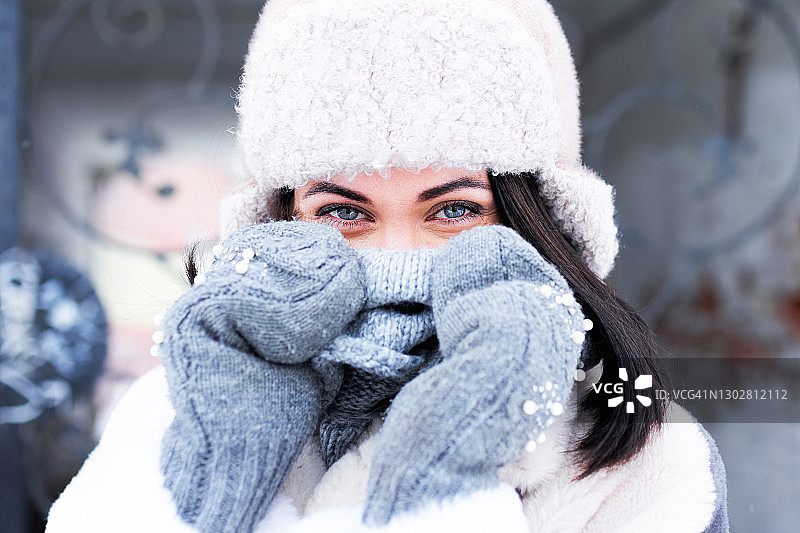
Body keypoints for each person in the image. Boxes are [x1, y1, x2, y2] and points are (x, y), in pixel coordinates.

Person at [45, 1, 730, 532]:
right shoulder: (174, 412)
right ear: (280, 221)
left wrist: (446, 468)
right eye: (345, 212)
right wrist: (214, 477)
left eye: (454, 210)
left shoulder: (636, 455)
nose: (397, 257)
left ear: (533, 221)